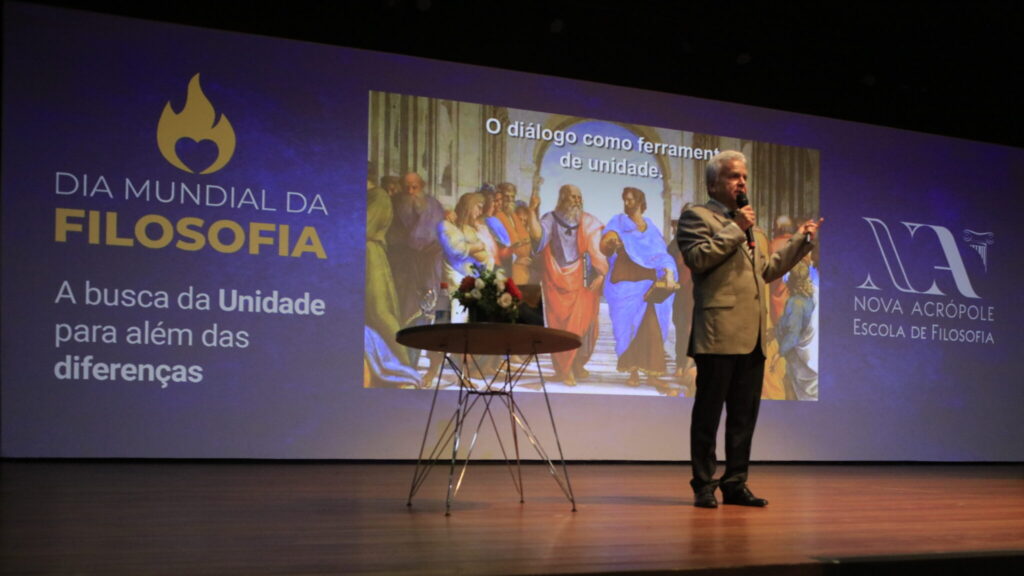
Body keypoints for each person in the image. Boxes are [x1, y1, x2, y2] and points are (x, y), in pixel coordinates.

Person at [676, 150, 821, 508]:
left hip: (753, 336)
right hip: (718, 331)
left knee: (744, 416)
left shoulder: (752, 227)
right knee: (708, 414)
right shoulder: (698, 216)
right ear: (714, 183)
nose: (741, 182)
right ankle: (704, 484)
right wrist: (735, 227)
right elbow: (697, 259)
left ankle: (736, 482)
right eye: (732, 176)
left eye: (744, 177)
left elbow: (768, 271)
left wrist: (800, 241)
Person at [528, 184, 607, 385]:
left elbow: (598, 251)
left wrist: (601, 274)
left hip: (581, 280)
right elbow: (538, 239)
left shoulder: (587, 222)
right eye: (572, 197)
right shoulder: (550, 219)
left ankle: (578, 364)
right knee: (562, 327)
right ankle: (565, 369)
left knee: (586, 324)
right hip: (556, 280)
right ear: (562, 199)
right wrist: (531, 211)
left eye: (579, 197)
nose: (577, 201)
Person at [599, 187, 678, 388]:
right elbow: (606, 242)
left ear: (640, 202)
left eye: (631, 200)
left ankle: (652, 373)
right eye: (625, 200)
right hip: (625, 282)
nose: (627, 204)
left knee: (650, 328)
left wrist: (668, 272)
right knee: (627, 328)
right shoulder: (617, 222)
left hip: (648, 284)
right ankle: (632, 371)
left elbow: (661, 254)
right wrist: (611, 242)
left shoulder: (650, 227)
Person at [386, 172, 445, 328]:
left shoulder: (434, 206)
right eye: (407, 187)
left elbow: (440, 233)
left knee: (430, 301)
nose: (410, 191)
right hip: (404, 262)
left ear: (422, 186)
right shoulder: (393, 204)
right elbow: (390, 234)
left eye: (414, 187)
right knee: (406, 303)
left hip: (430, 262)